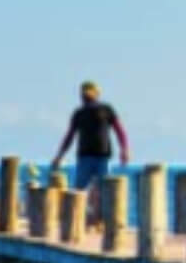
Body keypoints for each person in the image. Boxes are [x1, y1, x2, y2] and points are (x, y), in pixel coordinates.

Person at [51, 81, 129, 222]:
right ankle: (76, 221)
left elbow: (119, 130)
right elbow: (69, 136)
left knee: (104, 191)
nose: (86, 95)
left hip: (103, 157)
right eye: (84, 92)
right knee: (79, 191)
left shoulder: (106, 109)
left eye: (89, 92)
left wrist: (124, 149)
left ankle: (102, 221)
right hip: (84, 157)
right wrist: (59, 156)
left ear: (96, 93)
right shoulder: (79, 114)